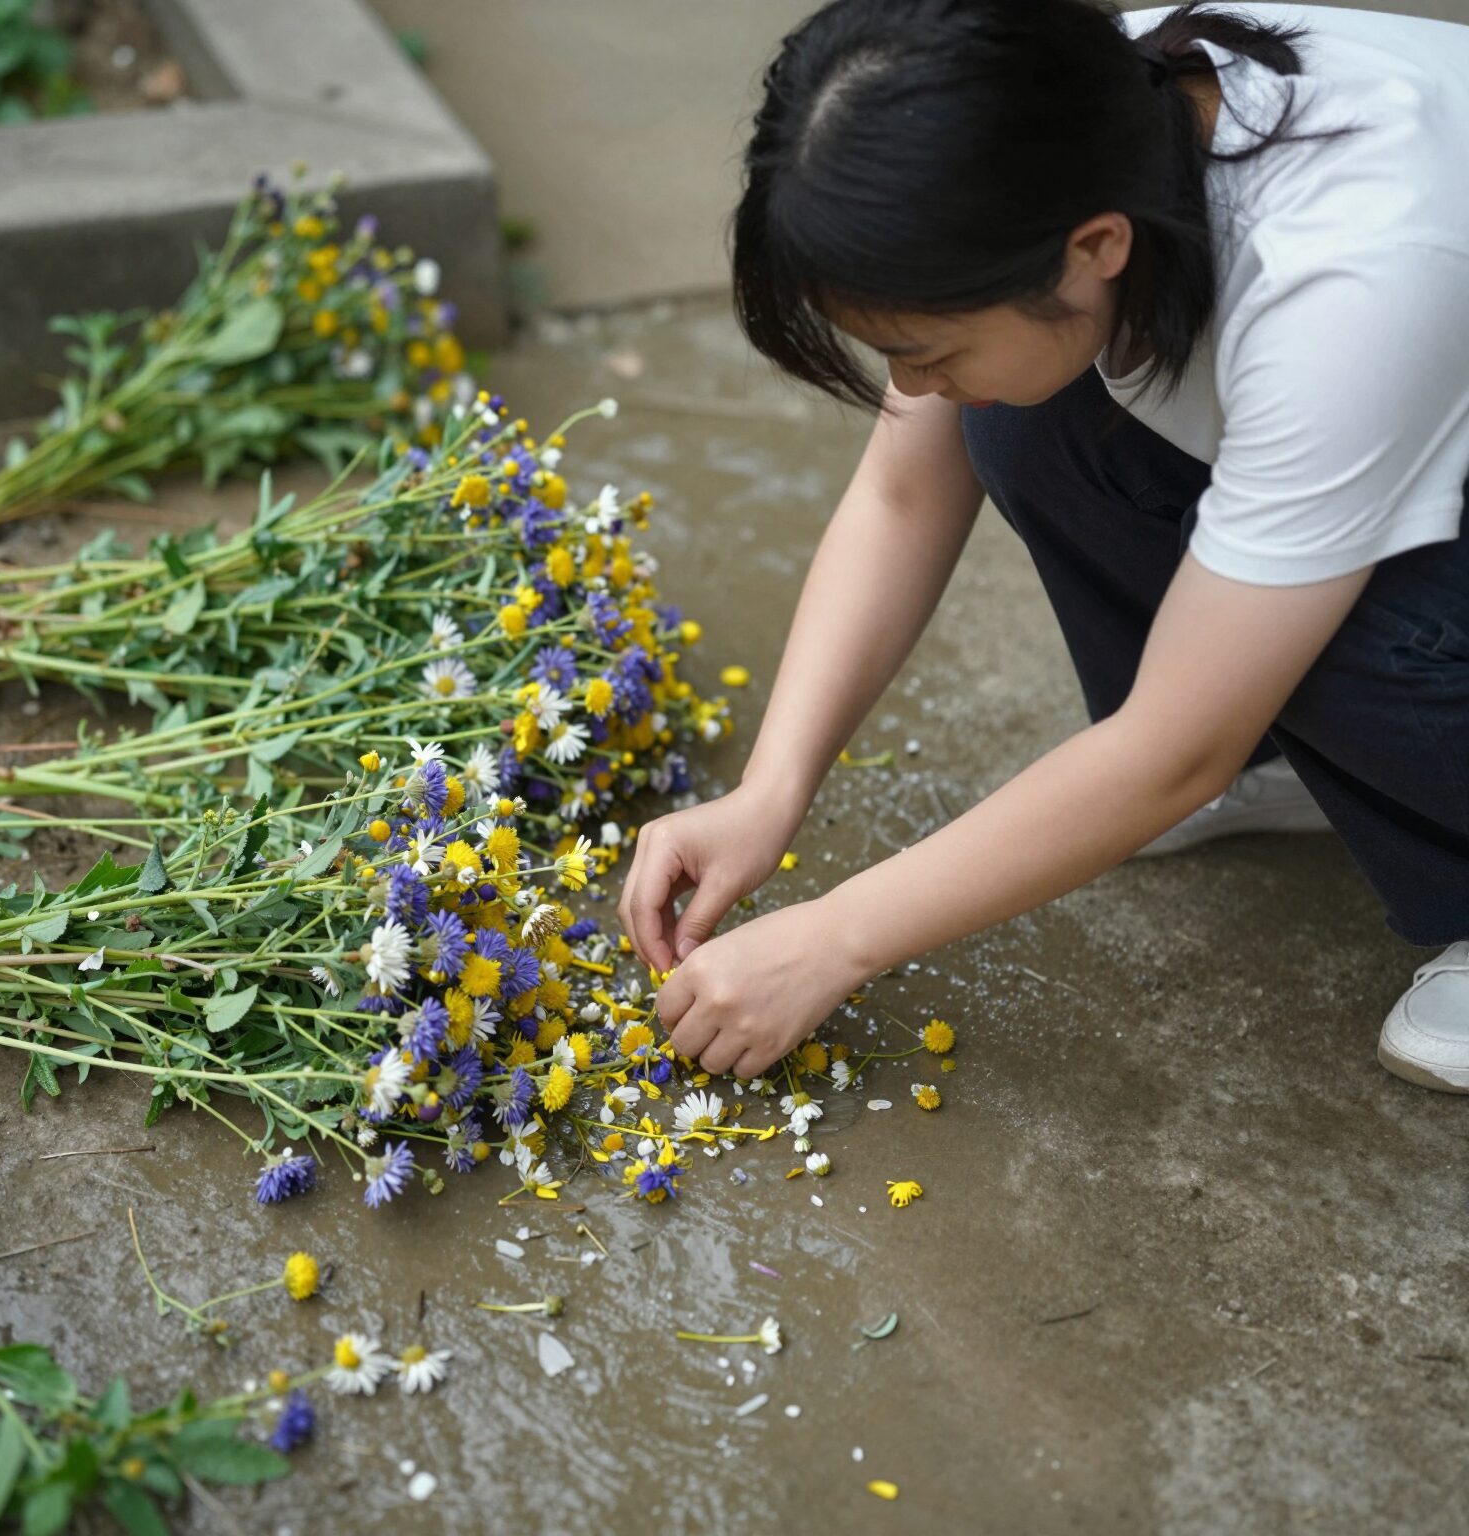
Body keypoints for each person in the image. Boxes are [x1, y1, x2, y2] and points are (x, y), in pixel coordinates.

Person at [616, 0, 1469, 1093]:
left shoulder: (1345, 282)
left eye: (922, 346)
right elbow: (902, 494)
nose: (906, 384)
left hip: (1396, 362)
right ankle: (1289, 760)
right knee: (1010, 411)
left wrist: (835, 937)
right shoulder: (1063, 117)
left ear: (1096, 245)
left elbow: (1175, 747)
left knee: (1318, 613)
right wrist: (768, 794)